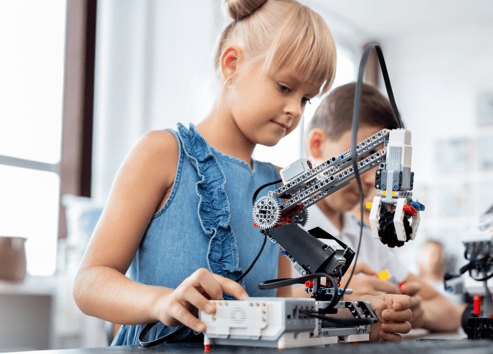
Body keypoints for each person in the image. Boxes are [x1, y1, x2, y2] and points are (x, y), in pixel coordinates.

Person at [73, 0, 412, 346]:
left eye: (307, 99)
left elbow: (280, 302)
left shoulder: (280, 184)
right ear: (232, 63)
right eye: (284, 87)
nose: (294, 110)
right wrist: (162, 302)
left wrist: (356, 313)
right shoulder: (162, 153)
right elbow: (89, 283)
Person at [296, 82, 462, 332]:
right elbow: (252, 302)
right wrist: (334, 297)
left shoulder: (364, 238)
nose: (369, 178)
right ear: (316, 144)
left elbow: (449, 311)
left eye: (380, 163)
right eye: (363, 156)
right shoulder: (283, 229)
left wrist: (419, 313)